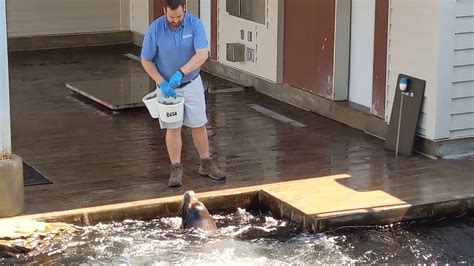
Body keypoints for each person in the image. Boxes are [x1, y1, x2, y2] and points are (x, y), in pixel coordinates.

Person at [141, 0, 226, 187]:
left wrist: (181, 72)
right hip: (167, 88)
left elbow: (202, 54)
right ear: (164, 11)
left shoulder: (194, 24)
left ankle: (206, 163)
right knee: (173, 127)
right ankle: (176, 169)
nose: (175, 20)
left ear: (184, 9)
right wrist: (162, 83)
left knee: (199, 124)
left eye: (179, 16)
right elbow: (146, 60)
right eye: (171, 17)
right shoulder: (155, 29)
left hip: (191, 82)